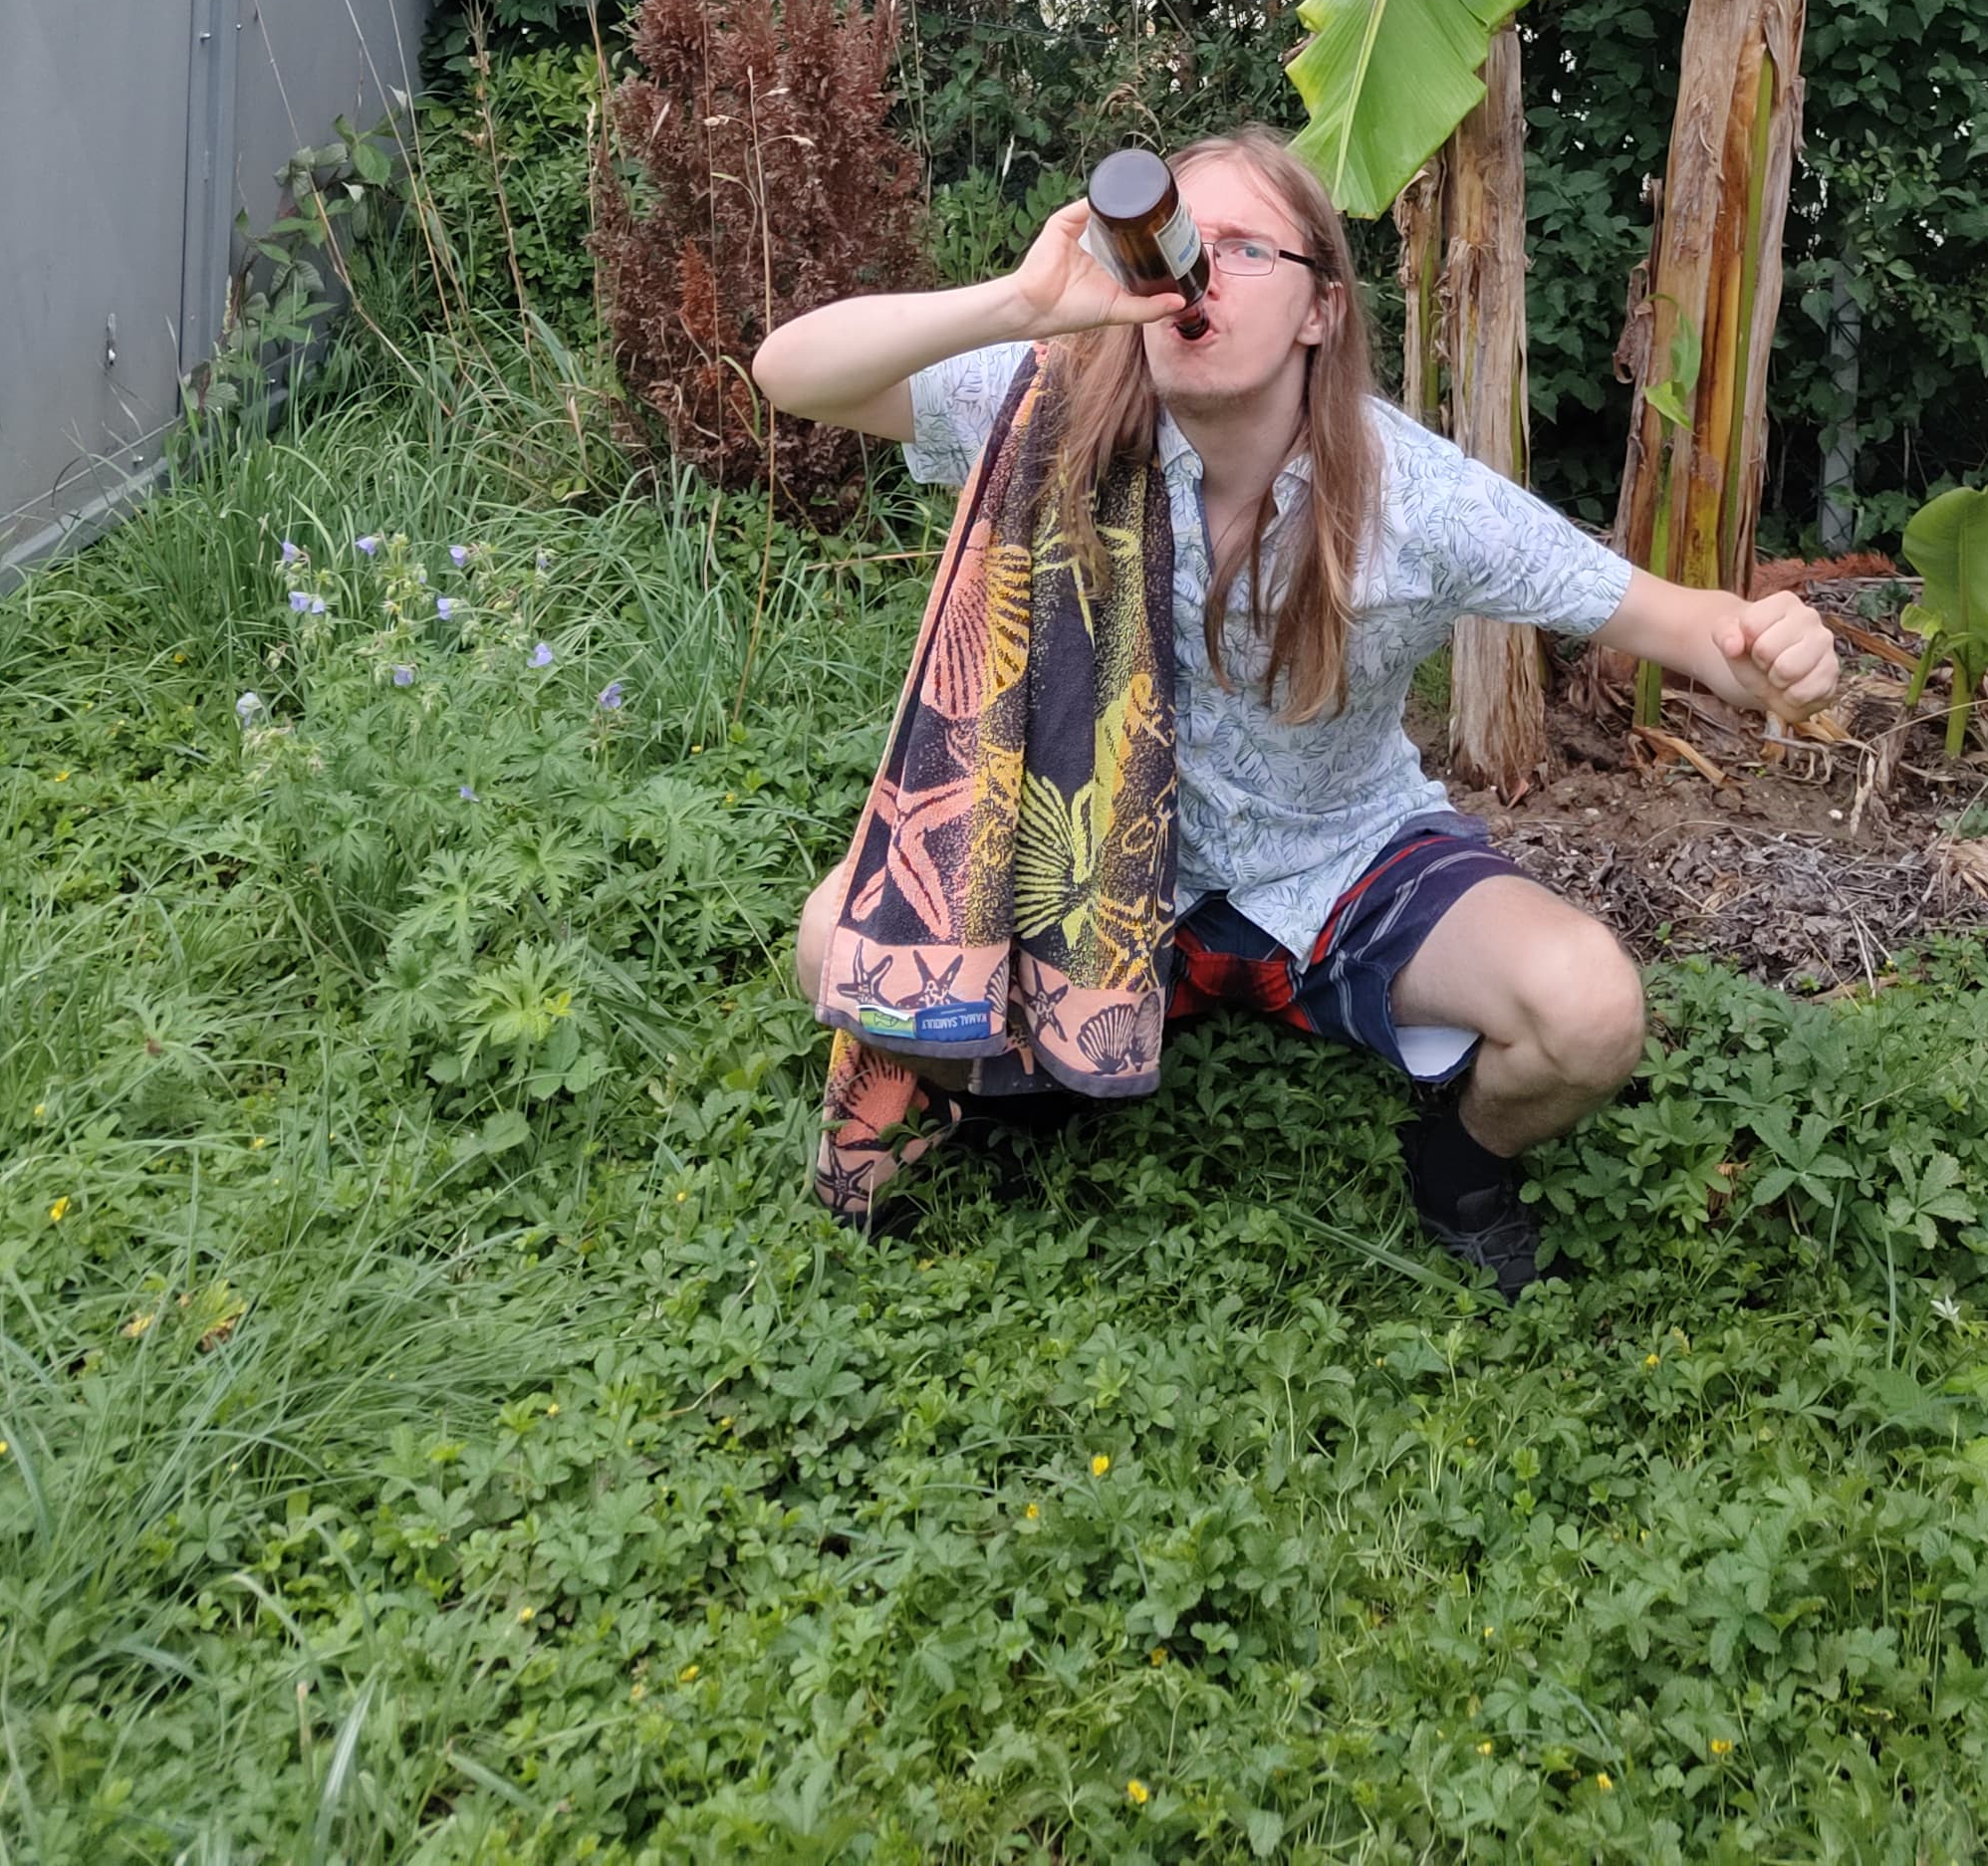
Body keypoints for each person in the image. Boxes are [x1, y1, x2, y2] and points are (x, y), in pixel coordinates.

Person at [756, 125, 1838, 1294]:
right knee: (835, 945)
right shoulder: (1058, 404)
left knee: (1587, 1010)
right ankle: (1026, 1083)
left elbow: (1688, 627)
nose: (1197, 275)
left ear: (1321, 308)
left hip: (1341, 858)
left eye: (1241, 248)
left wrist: (1768, 645)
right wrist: (1019, 299)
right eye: (1177, 240)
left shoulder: (1415, 499)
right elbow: (793, 373)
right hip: (1100, 854)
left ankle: (1460, 1165)